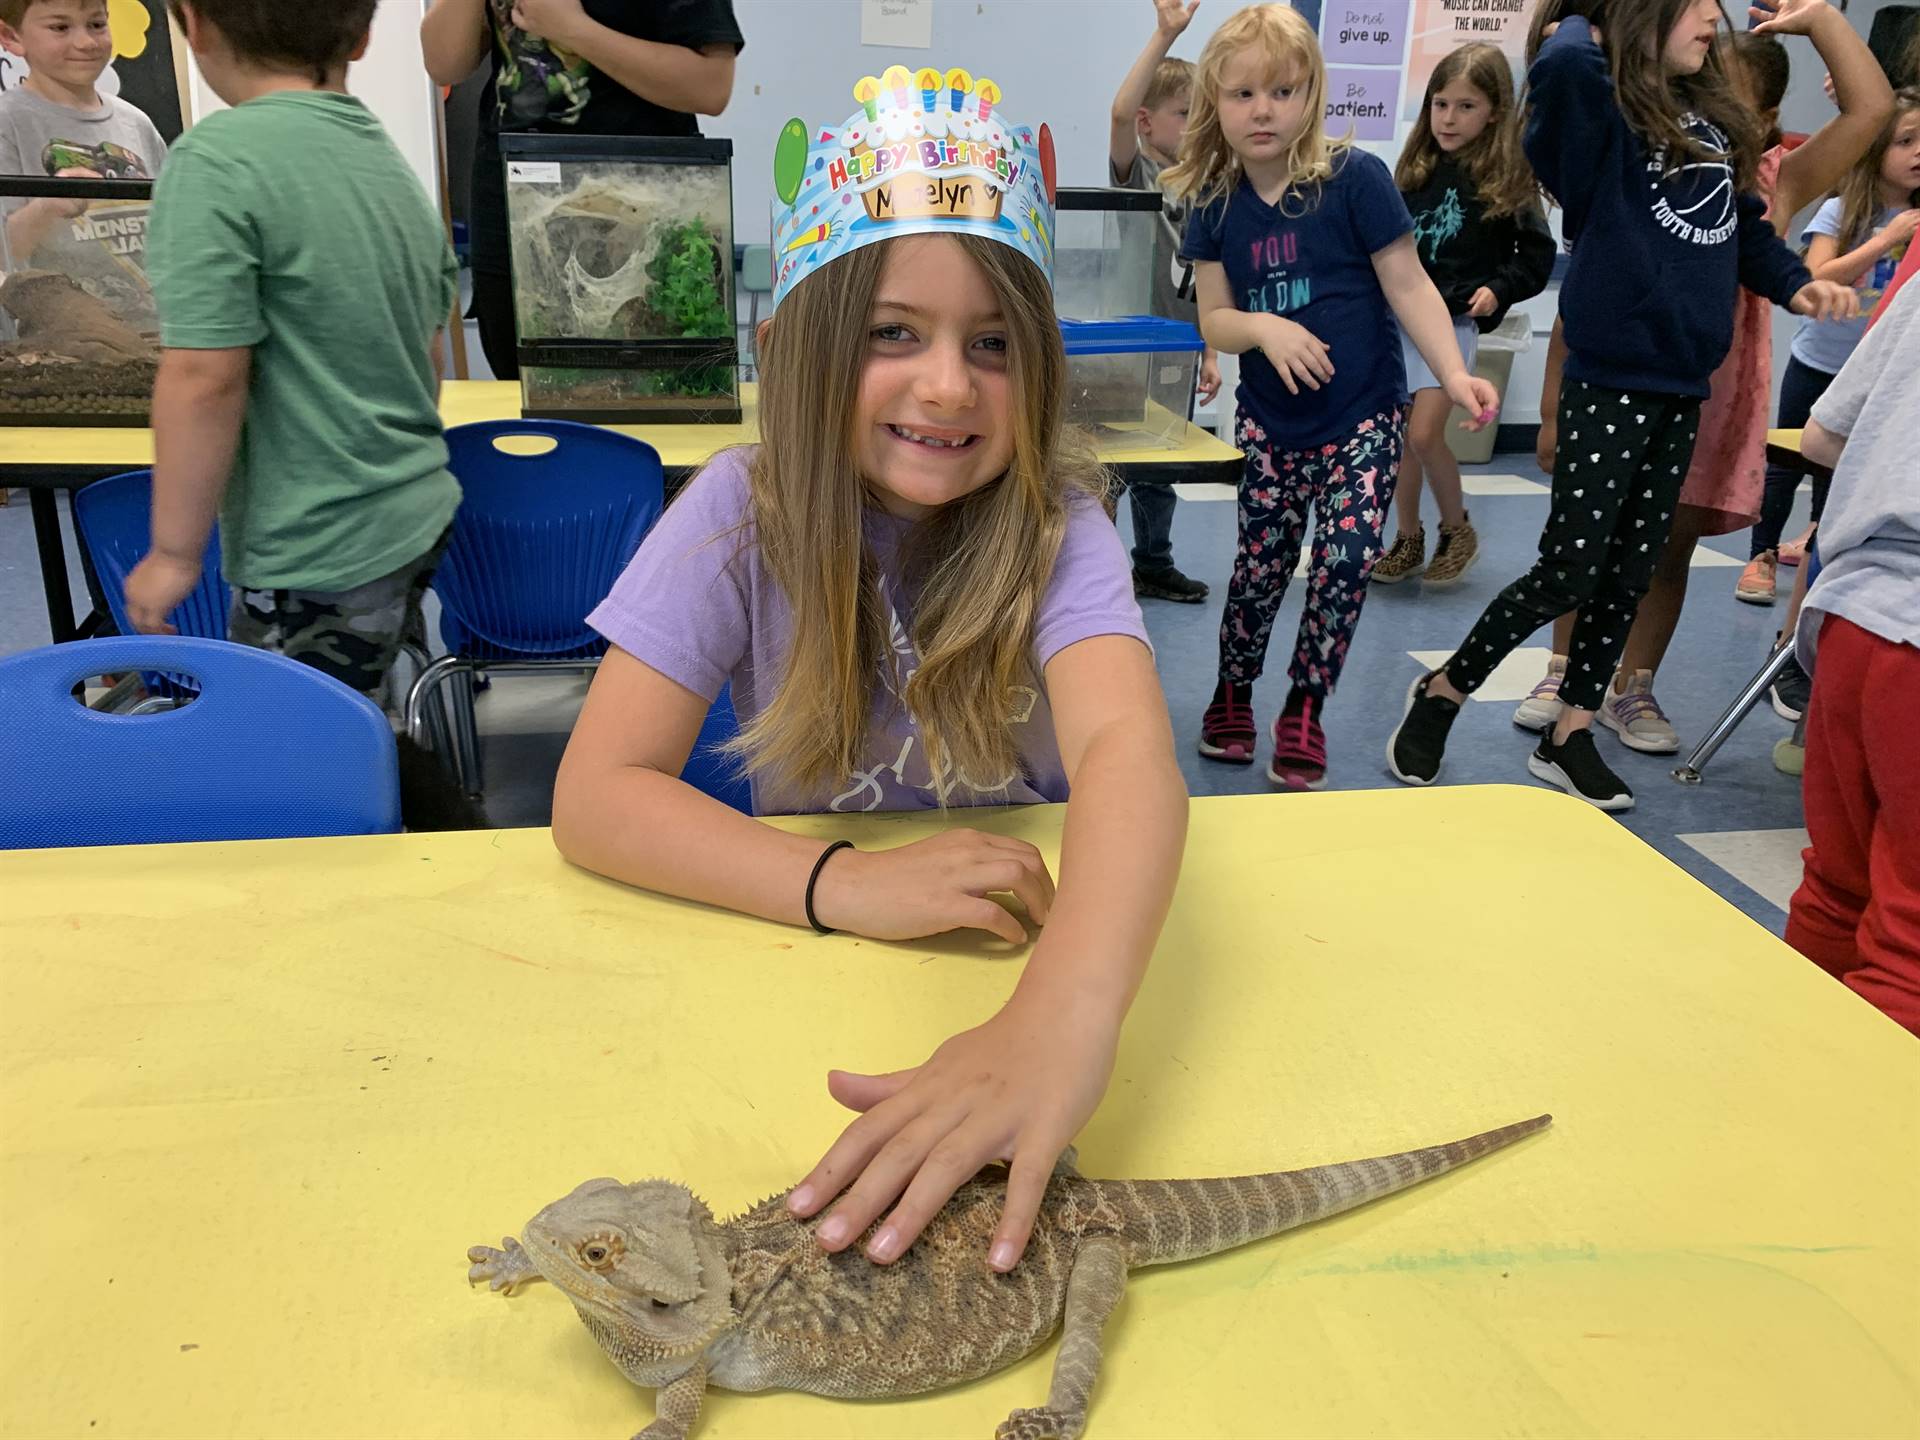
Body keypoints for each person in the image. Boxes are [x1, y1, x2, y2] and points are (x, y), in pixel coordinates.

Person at [550, 74, 1187, 1273]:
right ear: (798, 346)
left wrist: (1063, 1013)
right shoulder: (740, 508)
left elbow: (1127, 754)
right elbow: (594, 795)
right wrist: (843, 883)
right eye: (894, 333)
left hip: (1015, 959)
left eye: (992, 344)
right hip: (795, 972)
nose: (948, 385)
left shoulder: (1058, 521)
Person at [1387, 0, 1856, 811]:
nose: (1713, 17)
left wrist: (1796, 283)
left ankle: (1571, 731)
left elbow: (1741, 230)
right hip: (1612, 377)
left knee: (1630, 570)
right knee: (1570, 565)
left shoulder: (1710, 123)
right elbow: (1564, 62)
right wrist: (1586, 13)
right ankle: (1445, 692)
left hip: (1682, 381)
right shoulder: (1599, 118)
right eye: (1694, 6)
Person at [124, 0, 482, 827]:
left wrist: (175, 552)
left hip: (316, 539)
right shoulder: (385, 160)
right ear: (360, 37)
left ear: (194, 25)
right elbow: (429, 352)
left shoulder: (216, 160)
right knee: (354, 719)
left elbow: (205, 372)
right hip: (413, 508)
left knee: (294, 756)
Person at [1510, 0, 1891, 747]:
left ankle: (1633, 687)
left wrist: (1825, 22)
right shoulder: (1631, 155)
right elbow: (1581, 302)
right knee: (1588, 541)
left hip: (1713, 391)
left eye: (1723, 90)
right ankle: (1563, 667)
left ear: (1761, 114)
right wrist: (1552, 410)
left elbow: (1872, 108)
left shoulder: (1773, 183)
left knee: (1666, 547)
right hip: (1621, 375)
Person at [1165, 3, 1499, 790]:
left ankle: (1305, 707)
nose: (1263, 110)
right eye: (1243, 94)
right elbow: (1213, 315)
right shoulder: (1215, 202)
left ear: (1311, 95)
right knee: (1260, 568)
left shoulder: (1355, 179)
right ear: (1217, 101)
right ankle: (1233, 694)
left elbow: (1409, 283)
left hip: (1364, 416)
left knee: (1346, 561)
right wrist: (1264, 329)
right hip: (1274, 423)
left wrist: (1451, 374)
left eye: (1282, 91)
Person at [420, 0, 742, 382]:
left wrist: (573, 29)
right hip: (514, 204)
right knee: (524, 392)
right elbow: (443, 63)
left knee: (654, 394)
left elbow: (710, 86)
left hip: (639, 213)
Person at [1783, 279, 1919, 1037]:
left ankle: (1789, 1092)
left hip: (1852, 614)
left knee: (1838, 886)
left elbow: (1821, 438)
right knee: (1912, 944)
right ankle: (1870, 1147)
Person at [1375, 41, 1554, 588]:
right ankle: (1407, 537)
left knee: (1426, 434)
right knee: (1401, 438)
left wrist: (1498, 290)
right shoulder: (1414, 169)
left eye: (1465, 106)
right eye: (1440, 104)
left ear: (1495, 111)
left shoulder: (1507, 179)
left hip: (1452, 325)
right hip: (1397, 324)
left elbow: (1536, 256)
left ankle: (1458, 528)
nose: (1448, 118)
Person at [1739, 88, 1918, 604]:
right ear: (1874, 149)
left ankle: (1820, 558)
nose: (1918, 153)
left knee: (1841, 474)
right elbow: (1815, 276)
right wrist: (1884, 242)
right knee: (1785, 464)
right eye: (1906, 141)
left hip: (1875, 380)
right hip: (1819, 361)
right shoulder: (1841, 211)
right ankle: (1761, 555)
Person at [1107, 0, 1222, 604]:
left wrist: (1208, 348)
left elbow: (1205, 277)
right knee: (1108, 466)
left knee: (1161, 466)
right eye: (1186, 114)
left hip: (1178, 345)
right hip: (1126, 347)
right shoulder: (1136, 174)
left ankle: (1153, 562)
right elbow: (1121, 110)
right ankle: (1095, 568)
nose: (1199, 125)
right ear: (1151, 123)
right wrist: (1165, 34)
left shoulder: (1205, 186)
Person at [0, 0, 167, 323]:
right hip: (60, 341)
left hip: (154, 332)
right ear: (11, 38)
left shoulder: (136, 123)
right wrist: (46, 209)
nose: (86, 43)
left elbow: (170, 225)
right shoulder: (7, 124)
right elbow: (5, 255)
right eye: (60, 28)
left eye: (96, 24)